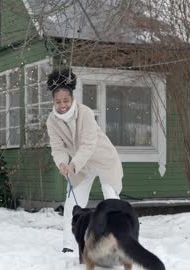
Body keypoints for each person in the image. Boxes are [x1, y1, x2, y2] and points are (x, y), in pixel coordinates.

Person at [45, 68, 123, 253]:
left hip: (103, 159)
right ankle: (69, 246)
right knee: (73, 202)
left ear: (72, 99)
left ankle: (118, 242)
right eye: (58, 101)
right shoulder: (52, 120)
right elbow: (58, 148)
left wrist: (73, 164)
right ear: (54, 102)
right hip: (80, 165)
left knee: (110, 199)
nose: (62, 105)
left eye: (66, 100)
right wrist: (62, 163)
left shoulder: (85, 113)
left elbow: (88, 145)